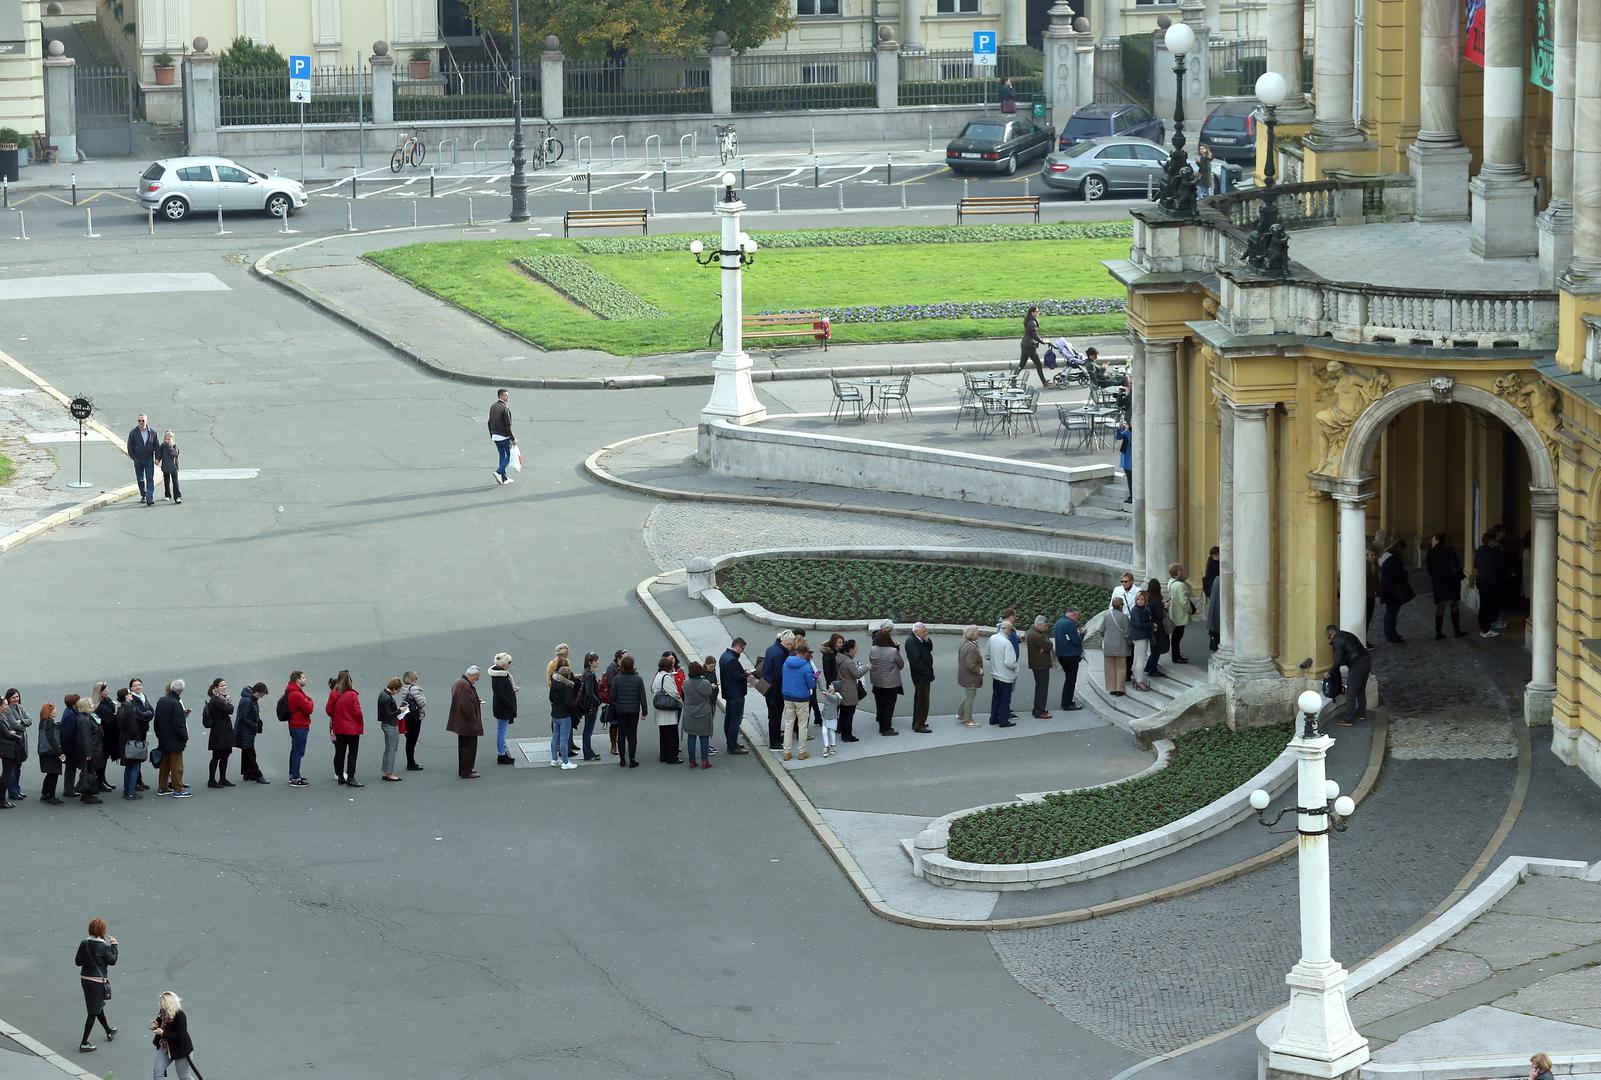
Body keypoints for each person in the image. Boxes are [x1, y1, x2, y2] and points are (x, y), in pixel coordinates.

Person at [75, 918, 118, 1053]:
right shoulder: (104, 946)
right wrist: (114, 946)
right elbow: (112, 961)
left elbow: (78, 962)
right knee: (93, 1011)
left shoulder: (84, 943)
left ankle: (108, 1031)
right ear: (101, 930)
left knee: (97, 1006)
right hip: (97, 982)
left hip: (85, 980)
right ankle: (84, 1043)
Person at [1326, 624, 1371, 726]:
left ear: (1332, 633)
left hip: (1357, 666)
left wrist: (1329, 672)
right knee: (1360, 689)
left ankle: (1348, 719)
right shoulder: (1347, 635)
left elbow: (1338, 660)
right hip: (1366, 661)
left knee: (1351, 693)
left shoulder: (1337, 640)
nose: (1329, 639)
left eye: (1328, 636)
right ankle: (1361, 713)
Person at [1425, 532, 1468, 640]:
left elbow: (1429, 568)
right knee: (1454, 605)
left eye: (1433, 539)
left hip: (1439, 582)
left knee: (1440, 606)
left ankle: (1438, 632)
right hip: (1451, 581)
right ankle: (1456, 630)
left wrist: (1435, 578)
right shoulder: (1450, 550)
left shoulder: (1432, 551)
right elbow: (1456, 565)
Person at [326, 670, 364, 787]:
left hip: (339, 727)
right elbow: (357, 712)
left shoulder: (334, 694)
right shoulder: (352, 694)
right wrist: (359, 722)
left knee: (340, 751)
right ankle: (351, 776)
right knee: (352, 753)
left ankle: (340, 776)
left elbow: (328, 710)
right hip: (352, 728)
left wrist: (336, 716)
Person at [153, 680, 191, 797]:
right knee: (177, 766)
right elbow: (178, 725)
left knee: (164, 765)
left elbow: (157, 721)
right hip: (174, 740)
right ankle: (178, 789)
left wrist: (159, 735)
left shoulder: (162, 700)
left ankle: (162, 787)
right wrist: (185, 737)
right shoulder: (176, 703)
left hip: (163, 738)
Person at [446, 666, 484, 779]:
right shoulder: (466, 686)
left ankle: (463, 769)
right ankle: (467, 771)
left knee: (463, 747)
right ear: (472, 675)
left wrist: (476, 700)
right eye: (476, 678)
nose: (476, 681)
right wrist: (474, 719)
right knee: (470, 748)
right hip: (467, 724)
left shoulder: (458, 682)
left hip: (460, 722)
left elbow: (463, 700)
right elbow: (466, 705)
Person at [608, 654, 646, 769]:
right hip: (634, 710)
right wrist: (644, 711)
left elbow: (612, 696)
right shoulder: (638, 679)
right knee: (632, 735)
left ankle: (622, 760)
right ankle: (632, 759)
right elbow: (642, 697)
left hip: (620, 710)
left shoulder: (617, 679)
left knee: (621, 735)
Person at [150, 991, 197, 1080]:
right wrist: (156, 1025)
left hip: (181, 1050)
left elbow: (180, 1036)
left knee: (184, 1076)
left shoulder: (180, 1016)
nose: (160, 1005)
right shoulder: (163, 1012)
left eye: (162, 1004)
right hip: (165, 1047)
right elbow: (160, 1022)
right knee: (158, 1072)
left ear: (169, 1004)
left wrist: (163, 1033)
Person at [781, 643, 817, 761]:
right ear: (806, 653)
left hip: (788, 696)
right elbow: (810, 684)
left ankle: (786, 752)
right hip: (801, 698)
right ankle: (802, 751)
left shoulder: (786, 663)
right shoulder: (806, 666)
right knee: (802, 725)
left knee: (788, 724)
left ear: (796, 651)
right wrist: (814, 678)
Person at [119, 679, 154, 797]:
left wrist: (146, 714)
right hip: (133, 740)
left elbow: (149, 712)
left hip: (126, 740)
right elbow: (134, 724)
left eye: (140, 684)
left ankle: (127, 790)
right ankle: (131, 791)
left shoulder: (121, 708)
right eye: (129, 693)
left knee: (129, 766)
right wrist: (138, 740)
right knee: (135, 764)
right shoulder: (129, 709)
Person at [867, 627, 905, 736]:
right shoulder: (893, 651)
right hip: (890, 683)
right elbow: (901, 665)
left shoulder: (873, 649)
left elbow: (871, 660)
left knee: (880, 703)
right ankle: (886, 728)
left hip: (877, 681)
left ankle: (880, 719)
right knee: (889, 705)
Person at [717, 639, 750, 756]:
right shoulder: (732, 660)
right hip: (736, 694)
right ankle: (732, 746)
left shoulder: (724, 656)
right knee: (735, 721)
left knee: (729, 718)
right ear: (738, 646)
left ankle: (731, 742)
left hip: (729, 693)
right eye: (742, 649)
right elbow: (737, 677)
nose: (742, 652)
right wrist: (747, 673)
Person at [761, 631, 794, 750]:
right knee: (775, 716)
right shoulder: (780, 654)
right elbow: (780, 675)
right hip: (776, 691)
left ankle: (775, 736)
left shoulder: (771, 648)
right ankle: (774, 741)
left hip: (767, 687)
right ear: (788, 643)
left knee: (773, 715)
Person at [681, 661, 717, 769]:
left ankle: (692, 761)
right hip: (703, 713)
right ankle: (705, 761)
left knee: (691, 737)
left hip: (690, 713)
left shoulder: (686, 683)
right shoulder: (705, 683)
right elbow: (708, 693)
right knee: (704, 737)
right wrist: (712, 687)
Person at [282, 671, 315, 787]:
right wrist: (309, 701)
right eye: (303, 678)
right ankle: (296, 777)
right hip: (299, 725)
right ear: (297, 680)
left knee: (295, 751)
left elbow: (307, 700)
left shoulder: (293, 691)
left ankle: (293, 774)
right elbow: (309, 708)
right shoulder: (296, 694)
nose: (305, 680)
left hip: (295, 725)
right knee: (298, 752)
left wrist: (307, 700)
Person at [201, 677, 235, 789]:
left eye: (225, 685)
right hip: (219, 731)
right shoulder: (216, 699)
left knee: (225, 755)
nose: (224, 687)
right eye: (221, 686)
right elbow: (230, 709)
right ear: (216, 688)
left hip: (225, 730)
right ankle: (211, 780)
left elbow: (229, 709)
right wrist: (230, 705)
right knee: (216, 756)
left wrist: (229, 705)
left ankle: (222, 778)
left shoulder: (223, 698)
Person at [1378, 540, 1415, 643]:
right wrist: (1405, 574)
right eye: (1404, 550)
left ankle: (1389, 634)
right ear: (1400, 548)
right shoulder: (1394, 559)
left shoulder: (1386, 556)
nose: (1405, 552)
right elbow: (1398, 575)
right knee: (1392, 613)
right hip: (1393, 590)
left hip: (1387, 588)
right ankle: (1391, 635)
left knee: (1389, 613)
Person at [986, 620, 1019, 726]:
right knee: (1005, 698)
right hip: (1005, 676)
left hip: (995, 673)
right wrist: (1016, 666)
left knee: (996, 696)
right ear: (1008, 630)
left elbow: (987, 656)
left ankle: (993, 718)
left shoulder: (992, 638)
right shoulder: (1007, 643)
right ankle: (1003, 720)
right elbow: (1009, 662)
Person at [904, 623, 936, 733]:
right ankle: (919, 725)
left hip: (924, 675)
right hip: (921, 676)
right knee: (922, 701)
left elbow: (929, 648)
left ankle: (919, 721)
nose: (926, 632)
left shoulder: (920, 639)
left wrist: (927, 639)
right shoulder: (911, 642)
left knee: (922, 700)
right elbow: (915, 661)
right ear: (916, 631)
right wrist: (927, 672)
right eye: (924, 632)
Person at [651, 656, 683, 764]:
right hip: (668, 711)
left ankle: (663, 755)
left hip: (659, 710)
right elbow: (674, 693)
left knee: (663, 735)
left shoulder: (658, 676)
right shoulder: (667, 677)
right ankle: (672, 757)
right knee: (672, 735)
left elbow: (653, 689)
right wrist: (681, 702)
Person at [235, 682, 268, 784]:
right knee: (250, 754)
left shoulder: (251, 699)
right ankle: (258, 775)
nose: (262, 697)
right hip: (245, 731)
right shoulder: (248, 701)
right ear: (257, 692)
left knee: (246, 753)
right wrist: (255, 725)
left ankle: (247, 773)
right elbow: (244, 717)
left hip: (246, 730)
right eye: (262, 694)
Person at [2, 688, 31, 802]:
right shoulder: (8, 710)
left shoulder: (20, 707)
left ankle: (17, 789)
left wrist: (21, 722)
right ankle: (13, 792)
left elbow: (30, 720)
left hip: (21, 742)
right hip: (13, 743)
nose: (16, 699)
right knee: (12, 768)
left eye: (17, 696)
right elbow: (13, 724)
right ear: (8, 699)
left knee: (18, 767)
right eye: (13, 697)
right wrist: (22, 724)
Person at [1475, 531, 1506, 638]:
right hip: (1488, 582)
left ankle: (1484, 627)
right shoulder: (1492, 552)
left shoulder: (1480, 550)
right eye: (1494, 540)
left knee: (1484, 605)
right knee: (1487, 605)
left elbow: (1476, 565)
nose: (1495, 542)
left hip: (1480, 580)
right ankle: (1485, 630)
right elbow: (1497, 567)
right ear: (1490, 541)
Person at [549, 664, 580, 770]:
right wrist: (575, 705)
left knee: (555, 737)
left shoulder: (554, 684)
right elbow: (569, 703)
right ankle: (565, 762)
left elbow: (551, 698)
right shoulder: (567, 687)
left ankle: (554, 759)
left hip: (555, 714)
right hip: (564, 716)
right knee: (564, 739)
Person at [1051, 609, 1083, 711]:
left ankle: (1066, 701)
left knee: (1068, 679)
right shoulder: (1070, 624)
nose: (1077, 620)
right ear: (1074, 614)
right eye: (1077, 618)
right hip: (1071, 655)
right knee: (1071, 680)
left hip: (1061, 655)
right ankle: (1067, 703)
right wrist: (1082, 634)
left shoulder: (1058, 622)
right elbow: (1076, 641)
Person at [490, 652, 518, 766]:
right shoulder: (501, 677)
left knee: (502, 730)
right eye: (509, 662)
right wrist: (509, 704)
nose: (510, 665)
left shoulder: (498, 675)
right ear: (503, 664)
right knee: (502, 731)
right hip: (503, 708)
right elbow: (501, 694)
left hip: (500, 707)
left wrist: (511, 690)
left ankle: (502, 752)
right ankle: (501, 754)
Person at [834, 638, 865, 742]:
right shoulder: (849, 662)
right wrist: (867, 668)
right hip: (849, 690)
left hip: (842, 688)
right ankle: (847, 735)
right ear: (851, 649)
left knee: (843, 712)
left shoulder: (840, 658)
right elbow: (857, 674)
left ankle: (842, 730)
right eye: (855, 648)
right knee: (849, 714)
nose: (856, 650)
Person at [1023, 615, 1054, 719]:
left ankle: (1037, 709)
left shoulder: (1031, 632)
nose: (1046, 628)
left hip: (1036, 663)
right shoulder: (1038, 636)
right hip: (1041, 664)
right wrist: (1046, 644)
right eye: (1045, 626)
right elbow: (1049, 645)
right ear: (1040, 624)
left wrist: (1045, 646)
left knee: (1039, 687)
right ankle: (1040, 711)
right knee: (1042, 689)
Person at [126, 414, 159, 506]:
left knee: (149, 478)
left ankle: (149, 497)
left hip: (149, 459)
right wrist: (134, 458)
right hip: (138, 459)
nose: (141, 422)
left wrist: (157, 458)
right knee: (140, 479)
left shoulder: (152, 432)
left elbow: (156, 446)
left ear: (146, 421)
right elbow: (129, 446)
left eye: (143, 421)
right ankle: (143, 494)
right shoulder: (133, 433)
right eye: (139, 421)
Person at [956, 625, 985, 728]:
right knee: (970, 698)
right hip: (971, 677)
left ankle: (960, 713)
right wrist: (980, 671)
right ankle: (968, 719)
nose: (979, 634)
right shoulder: (972, 647)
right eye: (977, 632)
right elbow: (970, 664)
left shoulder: (964, 644)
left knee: (969, 696)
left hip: (965, 675)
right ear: (973, 634)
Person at [35, 702, 63, 805]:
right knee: (54, 774)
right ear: (49, 712)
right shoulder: (50, 723)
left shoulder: (43, 722)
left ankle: (45, 793)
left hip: (44, 752)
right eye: (54, 709)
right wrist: (60, 753)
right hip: (52, 753)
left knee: (49, 773)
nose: (56, 711)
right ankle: (52, 796)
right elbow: (52, 739)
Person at [1102, 597, 1132, 696]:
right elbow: (1127, 633)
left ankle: (1112, 688)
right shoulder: (1124, 617)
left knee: (1109, 668)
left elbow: (1101, 631)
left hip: (1108, 646)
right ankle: (1119, 689)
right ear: (1120, 606)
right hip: (1120, 646)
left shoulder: (1106, 616)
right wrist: (1129, 643)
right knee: (1121, 667)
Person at [377, 677, 405, 782]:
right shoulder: (387, 698)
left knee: (388, 749)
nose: (397, 692)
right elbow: (389, 714)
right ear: (393, 688)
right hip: (390, 725)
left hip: (386, 724)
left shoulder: (383, 694)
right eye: (397, 690)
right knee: (392, 750)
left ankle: (386, 771)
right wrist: (400, 710)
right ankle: (389, 773)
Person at [91, 682, 116, 791]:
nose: (108, 692)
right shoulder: (100, 707)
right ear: (99, 693)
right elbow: (109, 721)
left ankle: (102, 780)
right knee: (101, 761)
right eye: (105, 691)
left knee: (103, 760)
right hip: (103, 738)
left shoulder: (107, 701)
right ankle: (99, 782)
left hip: (106, 737)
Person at [488, 388, 516, 486]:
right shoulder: (505, 408)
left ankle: (504, 478)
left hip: (495, 436)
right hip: (503, 436)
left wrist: (491, 434)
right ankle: (499, 472)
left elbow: (489, 422)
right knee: (509, 456)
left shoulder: (493, 406)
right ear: (500, 396)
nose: (508, 397)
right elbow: (508, 426)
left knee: (502, 455)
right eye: (506, 395)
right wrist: (513, 439)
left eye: (508, 395)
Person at [578, 652, 603, 761]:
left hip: (589, 705)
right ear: (590, 662)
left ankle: (588, 751)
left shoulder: (587, 672)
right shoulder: (589, 675)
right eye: (596, 660)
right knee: (588, 729)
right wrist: (597, 702)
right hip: (591, 706)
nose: (598, 662)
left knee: (588, 729)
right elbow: (589, 692)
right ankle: (587, 753)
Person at [400, 671, 426, 771]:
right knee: (412, 740)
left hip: (407, 716)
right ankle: (411, 763)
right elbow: (422, 703)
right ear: (412, 679)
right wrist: (423, 697)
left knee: (409, 740)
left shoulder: (404, 688)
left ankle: (410, 761)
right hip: (415, 717)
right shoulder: (414, 689)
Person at [1167, 563, 1194, 663]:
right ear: (1177, 572)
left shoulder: (1171, 582)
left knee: (1175, 637)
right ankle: (1176, 656)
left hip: (1174, 613)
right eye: (1181, 570)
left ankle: (1176, 654)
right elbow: (1184, 602)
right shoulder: (1180, 585)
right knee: (1177, 637)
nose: (1182, 572)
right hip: (1180, 615)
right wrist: (1189, 610)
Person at [1017, 304, 1048, 389]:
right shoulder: (1032, 322)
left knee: (1022, 364)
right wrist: (1042, 341)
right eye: (1037, 311)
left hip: (1024, 344)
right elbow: (1034, 335)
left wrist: (1040, 339)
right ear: (1032, 313)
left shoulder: (1029, 320)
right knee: (1038, 364)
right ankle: (1044, 382)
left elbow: (1033, 334)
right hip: (1030, 346)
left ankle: (1012, 380)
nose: (1038, 313)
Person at [1129, 590, 1154, 692]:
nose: (1140, 601)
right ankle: (1139, 680)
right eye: (1138, 599)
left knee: (1138, 658)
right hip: (1139, 637)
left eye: (1142, 599)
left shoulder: (1144, 609)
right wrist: (1151, 625)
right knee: (1141, 658)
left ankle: (1136, 677)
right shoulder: (1135, 610)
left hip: (1142, 636)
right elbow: (1138, 624)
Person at [818, 679, 843, 757]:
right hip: (825, 717)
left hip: (832, 718)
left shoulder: (837, 696)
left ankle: (833, 746)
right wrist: (818, 679)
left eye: (831, 685)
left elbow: (833, 698)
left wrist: (827, 694)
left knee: (831, 732)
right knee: (824, 732)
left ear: (835, 688)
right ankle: (826, 746)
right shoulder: (828, 693)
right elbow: (821, 688)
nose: (829, 686)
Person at [156, 430, 181, 504]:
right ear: (164, 439)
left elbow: (174, 454)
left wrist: (170, 446)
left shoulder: (174, 446)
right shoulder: (162, 446)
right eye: (167, 439)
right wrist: (157, 459)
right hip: (165, 467)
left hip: (173, 468)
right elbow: (159, 453)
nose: (168, 440)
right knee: (166, 482)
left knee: (175, 483)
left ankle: (177, 497)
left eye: (170, 439)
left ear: (173, 439)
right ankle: (167, 495)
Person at [1115, 421, 1133, 503]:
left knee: (1131, 478)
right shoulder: (1127, 430)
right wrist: (1119, 428)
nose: (1131, 422)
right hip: (1125, 455)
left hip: (1131, 456)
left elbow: (1132, 440)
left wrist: (1127, 431)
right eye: (1131, 421)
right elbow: (1118, 437)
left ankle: (1133, 496)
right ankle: (1131, 496)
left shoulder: (1136, 431)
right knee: (1129, 477)